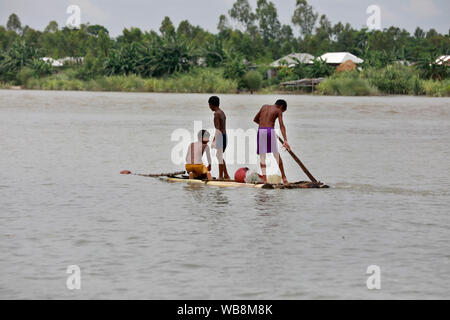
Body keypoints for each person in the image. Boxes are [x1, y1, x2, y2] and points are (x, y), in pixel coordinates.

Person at [253, 99, 291, 184]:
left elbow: (255, 119)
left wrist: (264, 126)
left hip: (261, 131)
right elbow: (282, 125)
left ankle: (265, 179)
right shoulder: (278, 110)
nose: (282, 112)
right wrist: (285, 140)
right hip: (270, 131)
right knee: (276, 155)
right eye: (283, 111)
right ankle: (284, 177)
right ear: (281, 107)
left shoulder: (264, 106)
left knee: (262, 156)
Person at [208, 96, 230, 180]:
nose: (209, 107)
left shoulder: (216, 114)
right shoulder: (222, 112)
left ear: (211, 104)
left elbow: (217, 129)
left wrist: (214, 141)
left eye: (209, 105)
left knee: (219, 156)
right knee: (219, 156)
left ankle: (221, 176)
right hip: (224, 136)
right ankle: (226, 175)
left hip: (220, 136)